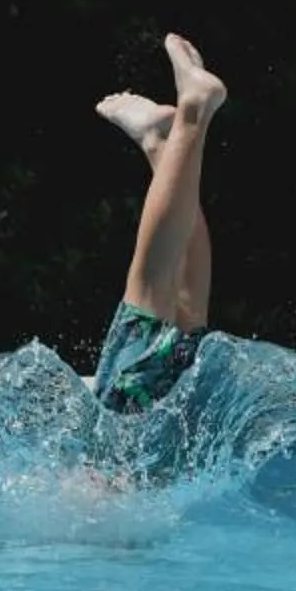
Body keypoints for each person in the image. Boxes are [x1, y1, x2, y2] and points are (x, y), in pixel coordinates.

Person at [90, 32, 226, 414]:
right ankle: (192, 113)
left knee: (186, 315)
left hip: (175, 426)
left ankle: (159, 143)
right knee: (149, 294)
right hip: (127, 430)